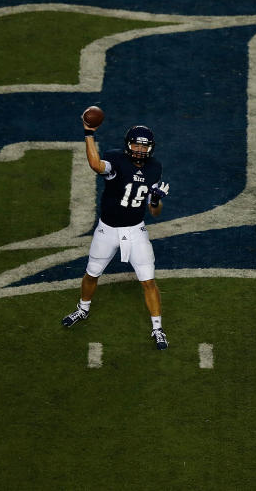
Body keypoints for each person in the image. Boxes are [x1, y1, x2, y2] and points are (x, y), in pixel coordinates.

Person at [62, 120, 171, 351]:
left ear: (151, 148)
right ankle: (83, 309)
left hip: (135, 230)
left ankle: (157, 328)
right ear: (128, 145)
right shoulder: (116, 159)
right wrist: (88, 134)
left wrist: (156, 199)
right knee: (92, 273)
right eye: (136, 145)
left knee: (148, 281)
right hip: (107, 229)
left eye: (145, 146)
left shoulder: (155, 167)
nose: (140, 150)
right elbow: (95, 165)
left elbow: (155, 211)